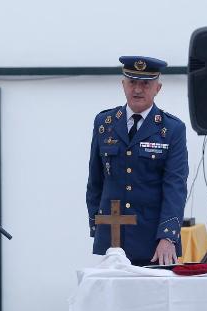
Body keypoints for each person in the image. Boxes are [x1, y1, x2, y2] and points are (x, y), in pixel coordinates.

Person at [86, 56, 188, 266]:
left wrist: (168, 237)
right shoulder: (104, 123)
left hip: (153, 242)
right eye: (132, 82)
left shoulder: (172, 129)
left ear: (157, 88)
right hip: (111, 239)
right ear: (123, 84)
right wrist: (97, 224)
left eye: (146, 84)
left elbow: (175, 186)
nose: (138, 90)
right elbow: (95, 180)